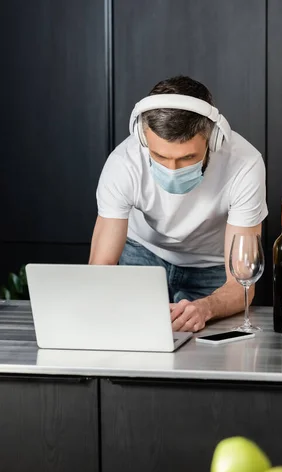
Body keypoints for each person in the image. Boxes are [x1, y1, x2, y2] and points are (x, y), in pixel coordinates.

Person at [89, 75, 268, 333]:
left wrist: (206, 307)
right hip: (144, 255)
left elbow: (241, 285)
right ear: (143, 137)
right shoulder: (123, 163)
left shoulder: (245, 165)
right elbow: (100, 268)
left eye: (187, 158)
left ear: (213, 140)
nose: (171, 169)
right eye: (159, 156)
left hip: (212, 267)